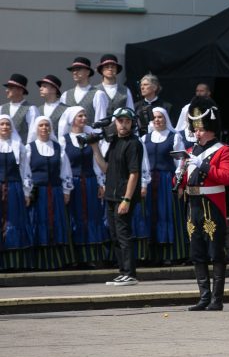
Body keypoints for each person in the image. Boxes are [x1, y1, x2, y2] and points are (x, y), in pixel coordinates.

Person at [176, 97, 229, 310]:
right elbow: (181, 181)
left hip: (212, 205)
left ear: (209, 129)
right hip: (193, 205)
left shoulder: (223, 150)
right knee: (197, 252)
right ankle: (203, 297)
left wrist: (204, 166)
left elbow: (226, 177)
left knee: (216, 251)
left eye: (200, 129)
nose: (196, 133)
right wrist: (178, 174)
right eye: (195, 129)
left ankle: (216, 299)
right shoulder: (190, 152)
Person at [90, 107, 142, 285]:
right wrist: (95, 147)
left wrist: (127, 199)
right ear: (115, 123)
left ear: (131, 123)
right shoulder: (113, 142)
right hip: (111, 195)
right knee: (114, 234)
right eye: (120, 121)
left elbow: (134, 173)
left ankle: (130, 273)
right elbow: (106, 168)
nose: (123, 124)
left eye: (127, 121)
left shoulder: (133, 143)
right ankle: (123, 271)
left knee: (123, 233)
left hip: (123, 196)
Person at [135, 107, 186, 265]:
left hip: (166, 180)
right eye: (154, 117)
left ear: (166, 119)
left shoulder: (174, 137)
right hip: (150, 181)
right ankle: (151, 255)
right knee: (150, 215)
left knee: (168, 213)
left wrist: (179, 183)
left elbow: (180, 162)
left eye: (160, 117)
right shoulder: (145, 139)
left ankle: (171, 254)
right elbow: (142, 162)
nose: (157, 120)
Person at [58, 106, 108, 266]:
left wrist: (101, 183)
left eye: (85, 115)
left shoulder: (90, 137)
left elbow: (95, 160)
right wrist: (66, 187)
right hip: (73, 183)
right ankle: (76, 257)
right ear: (72, 119)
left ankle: (92, 256)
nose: (84, 119)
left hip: (90, 181)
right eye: (80, 116)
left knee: (92, 216)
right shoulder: (63, 139)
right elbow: (62, 165)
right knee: (75, 216)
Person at [25, 115, 74, 269]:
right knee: (38, 222)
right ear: (36, 128)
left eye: (47, 125)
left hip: (56, 191)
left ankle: (58, 262)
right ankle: (39, 263)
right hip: (38, 194)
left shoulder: (58, 148)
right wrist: (27, 191)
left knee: (56, 222)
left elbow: (66, 170)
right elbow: (25, 171)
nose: (44, 128)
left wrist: (66, 190)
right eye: (41, 125)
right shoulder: (29, 148)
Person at [0, 114, 31, 269]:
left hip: (14, 188)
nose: (5, 127)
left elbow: (25, 170)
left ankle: (14, 263)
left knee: (14, 221)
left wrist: (26, 192)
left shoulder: (19, 146)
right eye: (2, 124)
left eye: (7, 124)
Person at [92, 55, 134, 122]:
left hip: (121, 130)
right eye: (106, 67)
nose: (110, 69)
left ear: (117, 70)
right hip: (99, 129)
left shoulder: (125, 90)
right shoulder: (94, 91)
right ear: (102, 70)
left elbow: (131, 112)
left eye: (113, 67)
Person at [1, 73, 37, 143]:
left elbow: (33, 133)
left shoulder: (31, 109)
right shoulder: (1, 108)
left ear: (20, 90)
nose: (6, 90)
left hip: (22, 150)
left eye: (10, 88)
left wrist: (28, 150)